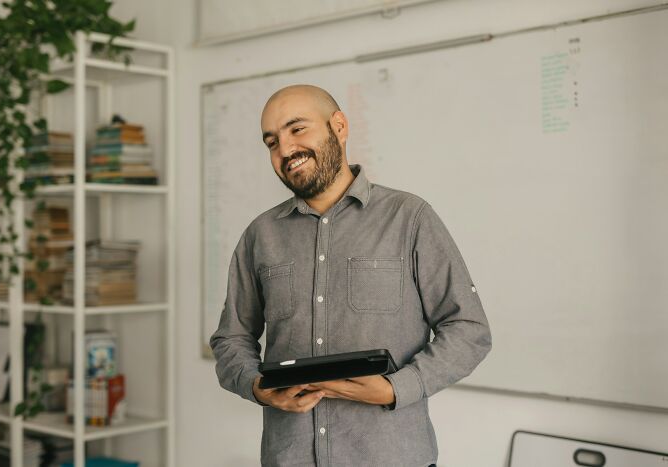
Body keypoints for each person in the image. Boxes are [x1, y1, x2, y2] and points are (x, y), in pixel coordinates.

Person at [210, 84, 492, 467]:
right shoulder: (260, 235)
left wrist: (395, 388)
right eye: (271, 142)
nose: (285, 150)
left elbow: (468, 328)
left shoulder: (410, 218)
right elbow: (231, 338)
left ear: (339, 126)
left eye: (297, 129)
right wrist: (259, 388)